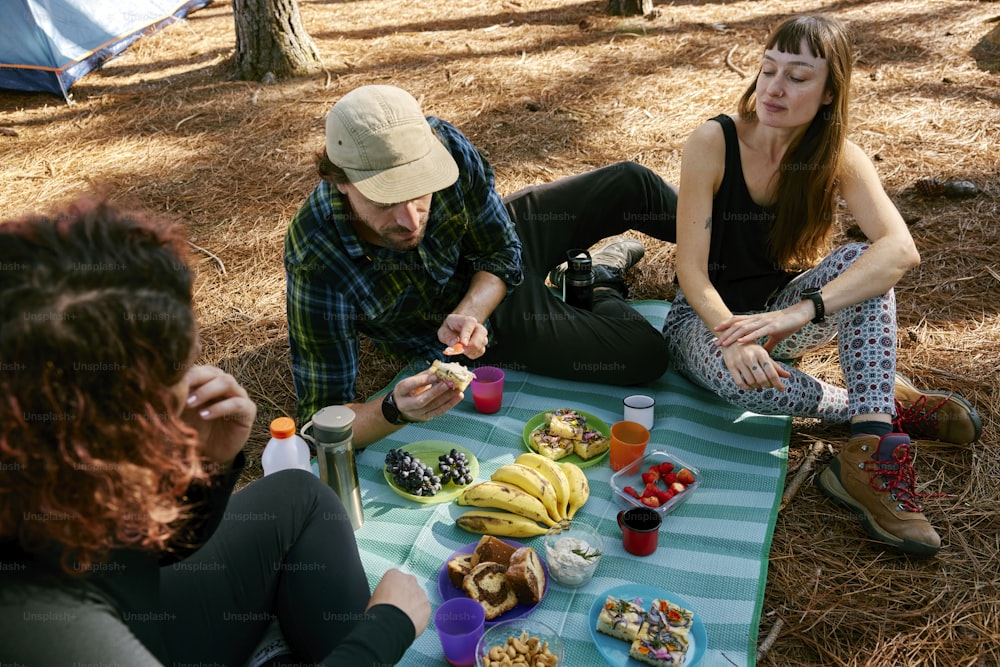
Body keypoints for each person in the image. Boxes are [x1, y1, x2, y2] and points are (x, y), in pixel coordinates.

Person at [0, 199, 430, 665]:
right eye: (175, 377)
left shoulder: (47, 470)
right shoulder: (51, 626)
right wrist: (385, 628)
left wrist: (207, 469)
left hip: (147, 610)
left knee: (298, 495)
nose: (195, 380)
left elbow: (143, 552)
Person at [664, 15, 981, 557]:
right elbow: (691, 270)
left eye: (798, 76)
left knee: (868, 260)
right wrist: (731, 335)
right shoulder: (713, 141)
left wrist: (798, 313)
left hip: (779, 314)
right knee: (743, 386)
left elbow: (900, 249)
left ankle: (866, 458)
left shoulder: (838, 156)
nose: (775, 88)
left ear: (830, 91)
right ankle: (883, 409)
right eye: (768, 70)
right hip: (704, 319)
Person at [285, 84, 678, 446]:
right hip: (486, 330)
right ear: (339, 180)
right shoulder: (316, 256)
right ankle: (600, 282)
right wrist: (393, 409)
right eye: (386, 201)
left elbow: (501, 249)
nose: (410, 220)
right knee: (644, 352)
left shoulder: (443, 143)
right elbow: (321, 423)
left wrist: (470, 311)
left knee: (632, 185)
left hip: (486, 277)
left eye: (420, 191)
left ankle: (736, 264)